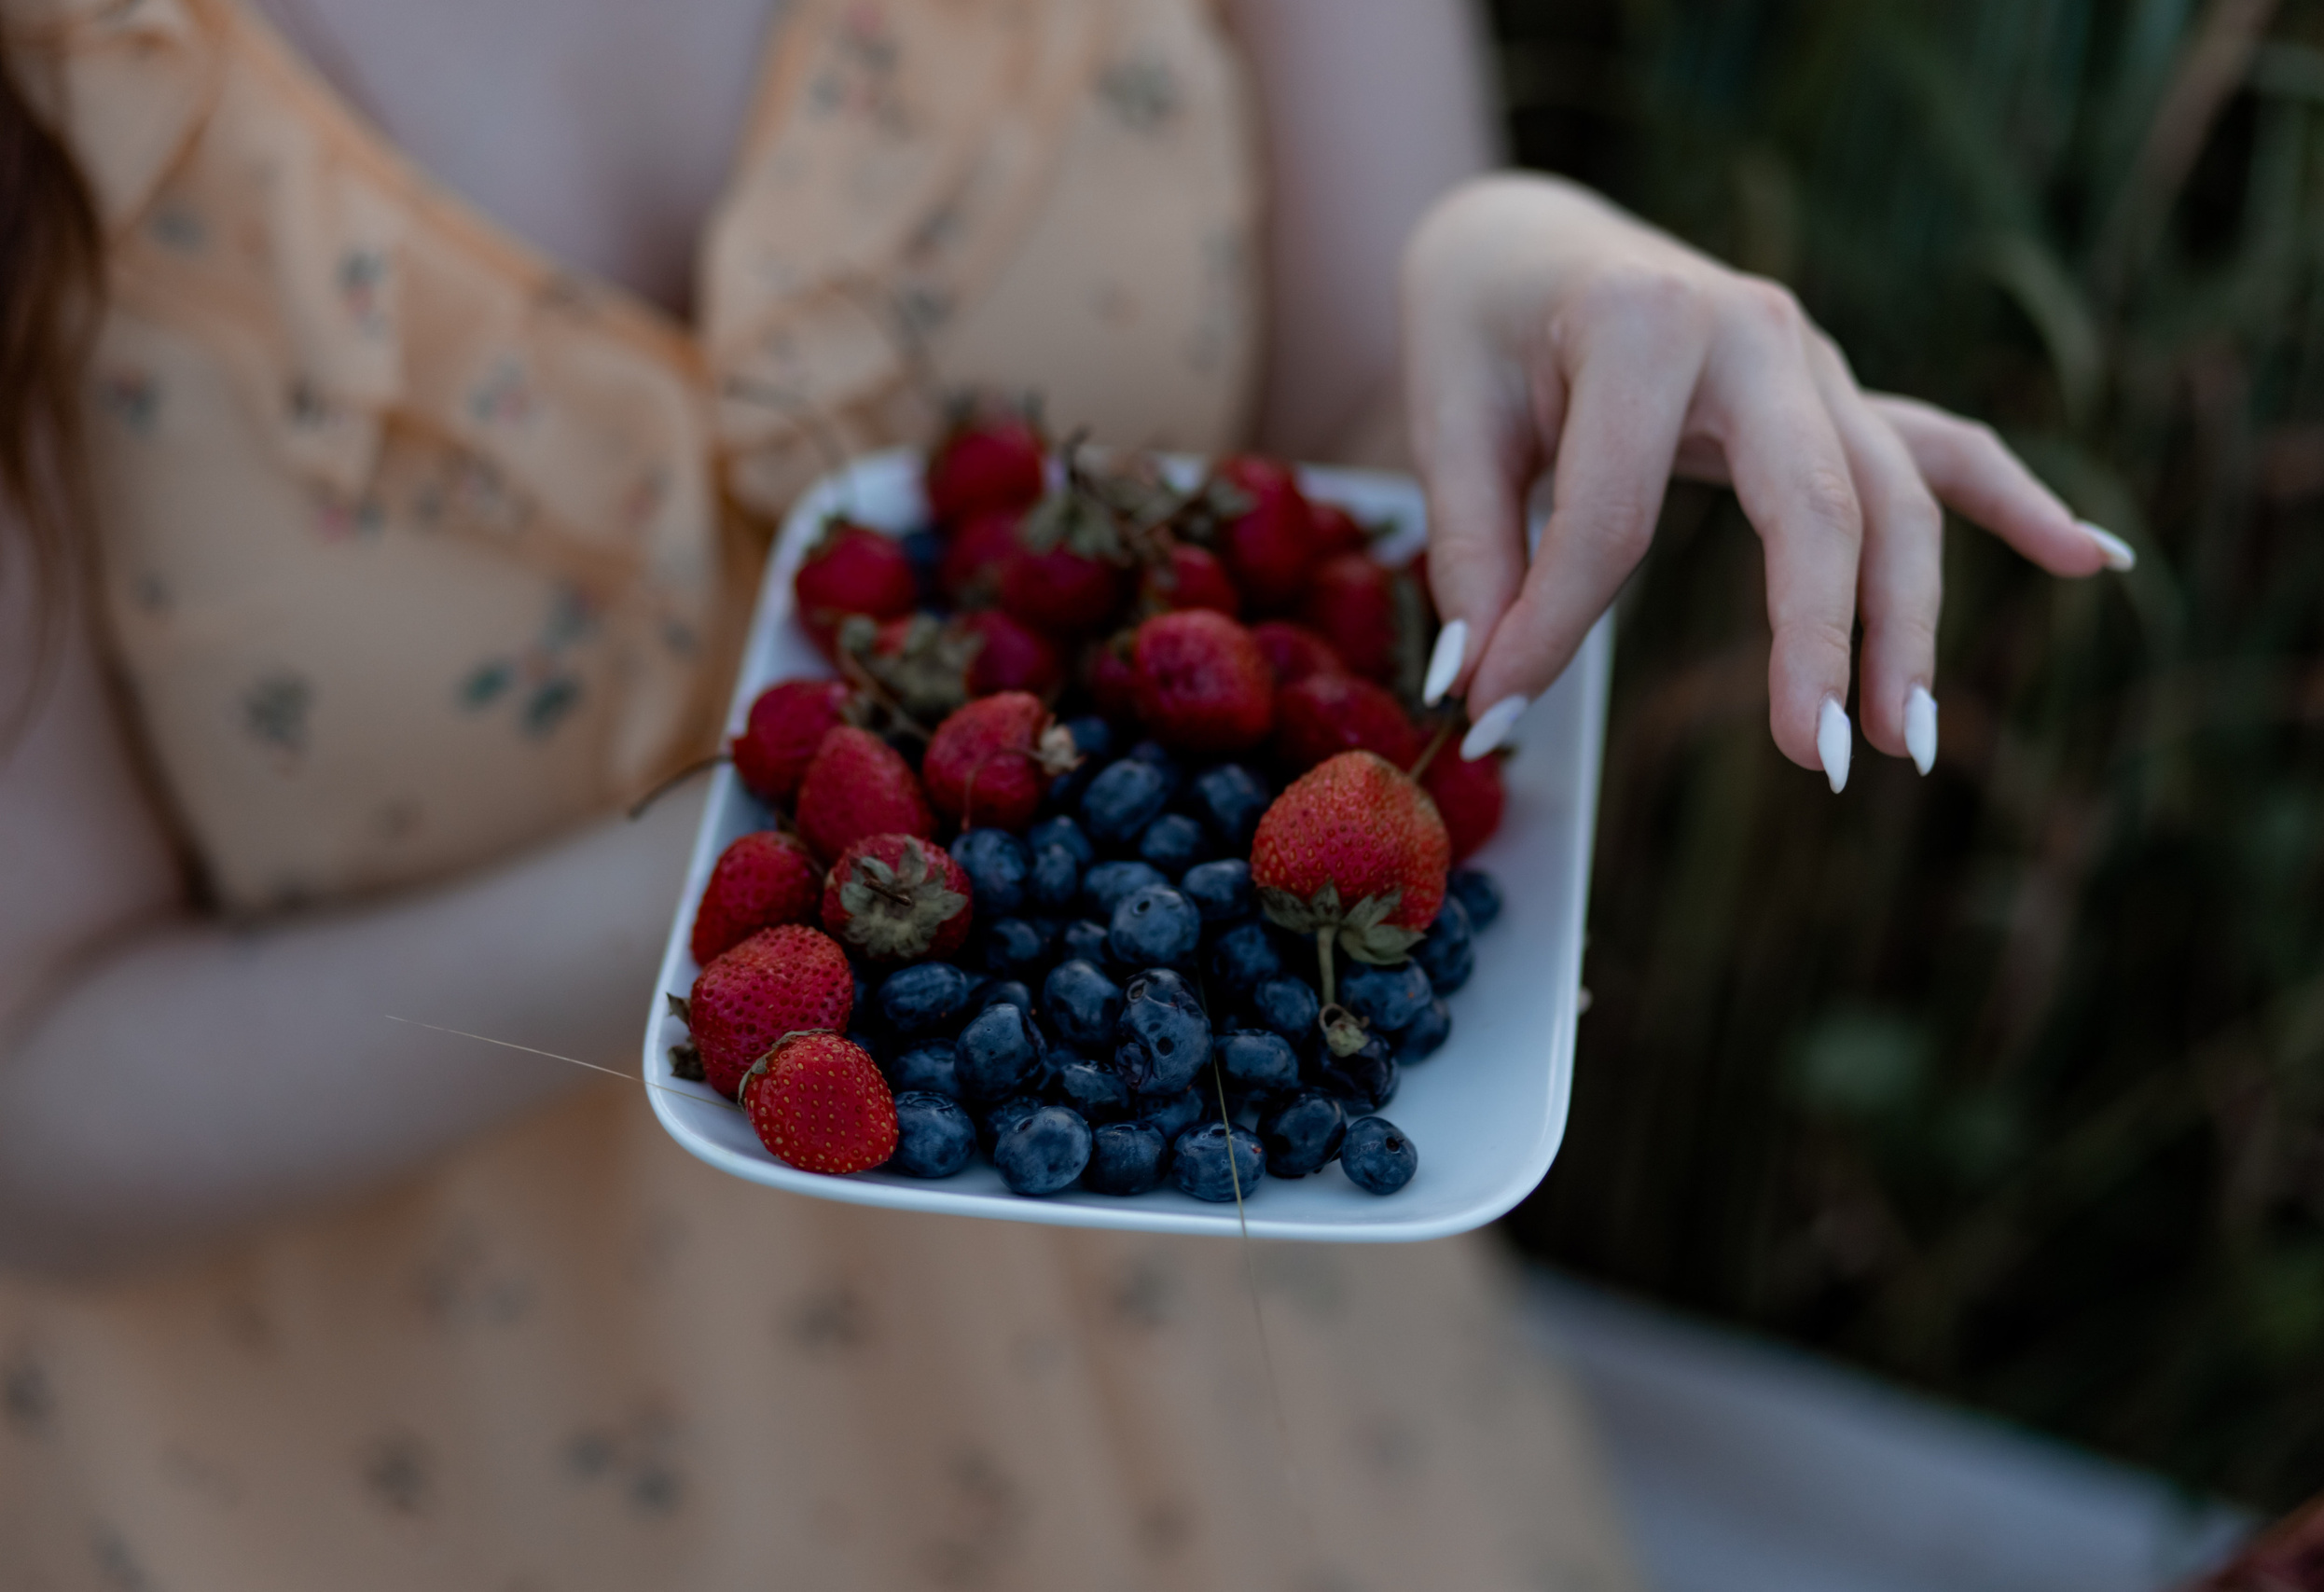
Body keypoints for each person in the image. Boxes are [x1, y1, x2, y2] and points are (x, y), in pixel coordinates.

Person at [0, 0, 2121, 1585]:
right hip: (439, 1446)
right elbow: (34, 1083)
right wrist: (797, 857)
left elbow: (1353, 450)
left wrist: (1531, 274)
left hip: (1217, 1309)